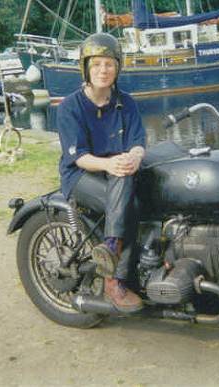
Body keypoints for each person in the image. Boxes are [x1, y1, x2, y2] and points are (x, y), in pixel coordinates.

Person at [56, 33, 146, 313]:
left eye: (109, 64)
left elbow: (138, 143)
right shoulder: (70, 106)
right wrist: (110, 164)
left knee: (132, 174)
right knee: (130, 204)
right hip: (81, 175)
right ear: (85, 68)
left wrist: (134, 156)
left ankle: (124, 255)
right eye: (96, 65)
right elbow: (79, 156)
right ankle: (113, 277)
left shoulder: (126, 102)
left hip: (117, 172)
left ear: (117, 67)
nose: (103, 71)